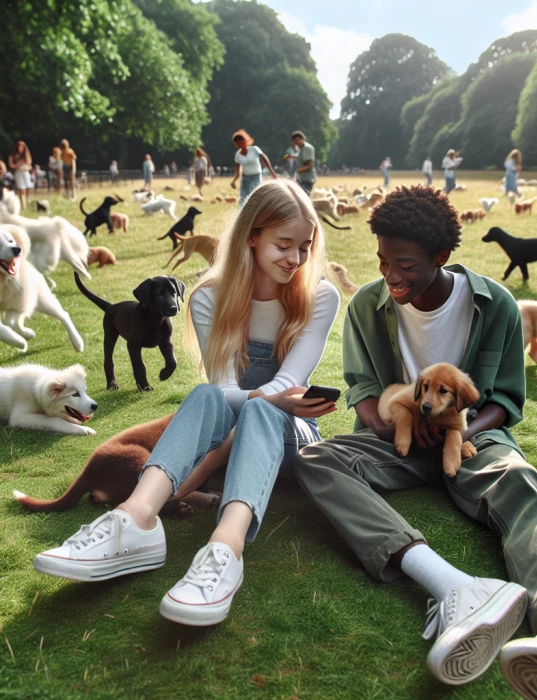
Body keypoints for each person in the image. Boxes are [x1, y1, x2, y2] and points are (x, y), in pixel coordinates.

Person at [294, 186, 537, 698]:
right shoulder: (367, 307)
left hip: (471, 438)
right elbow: (364, 392)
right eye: (382, 262)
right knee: (316, 460)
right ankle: (453, 587)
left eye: (405, 265)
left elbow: (505, 399)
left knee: (520, 478)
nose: (390, 277)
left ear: (442, 257)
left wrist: (458, 432)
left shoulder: (496, 304)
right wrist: (389, 425)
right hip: (395, 438)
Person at [31, 179, 341, 628]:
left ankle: (224, 550)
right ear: (252, 236)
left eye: (305, 247)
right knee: (209, 394)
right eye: (284, 244)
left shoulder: (321, 297)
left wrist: (250, 407)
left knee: (262, 406)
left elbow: (288, 387)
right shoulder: (210, 296)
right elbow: (223, 387)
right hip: (228, 428)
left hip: (293, 437)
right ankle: (135, 521)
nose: (296, 259)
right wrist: (240, 412)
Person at [230, 130, 276, 205]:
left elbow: (265, 159)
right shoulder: (238, 155)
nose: (239, 144)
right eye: (236, 143)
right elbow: (238, 171)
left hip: (256, 177)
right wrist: (234, 181)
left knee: (256, 197)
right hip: (245, 179)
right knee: (243, 198)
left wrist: (273, 173)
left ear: (244, 141)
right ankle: (244, 215)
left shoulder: (254, 149)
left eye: (240, 142)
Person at [8, 141, 32, 210]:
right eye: (19, 146)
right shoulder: (13, 155)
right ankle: (23, 205)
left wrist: (25, 167)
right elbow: (11, 164)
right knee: (21, 189)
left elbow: (29, 164)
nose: (20, 148)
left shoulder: (26, 155)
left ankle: (26, 203)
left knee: (27, 188)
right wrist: (16, 165)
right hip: (18, 173)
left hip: (25, 173)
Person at [292, 130, 316, 195]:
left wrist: (297, 170)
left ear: (303, 139)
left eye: (299, 139)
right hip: (301, 179)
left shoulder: (307, 148)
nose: (297, 141)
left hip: (306, 180)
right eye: (295, 140)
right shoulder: (300, 149)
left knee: (302, 200)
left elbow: (309, 166)